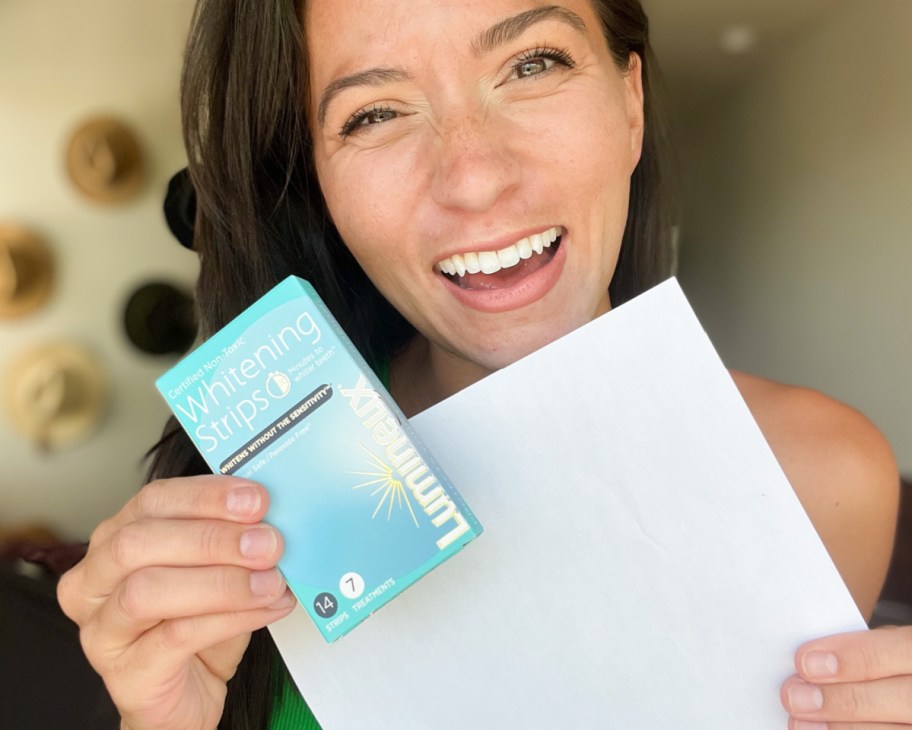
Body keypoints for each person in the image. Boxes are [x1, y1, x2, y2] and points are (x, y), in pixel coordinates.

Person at [57, 1, 905, 728]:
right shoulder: (255, 509)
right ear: (318, 182)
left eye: (533, 64)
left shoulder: (826, 473)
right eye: (374, 114)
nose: (474, 178)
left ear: (631, 102)